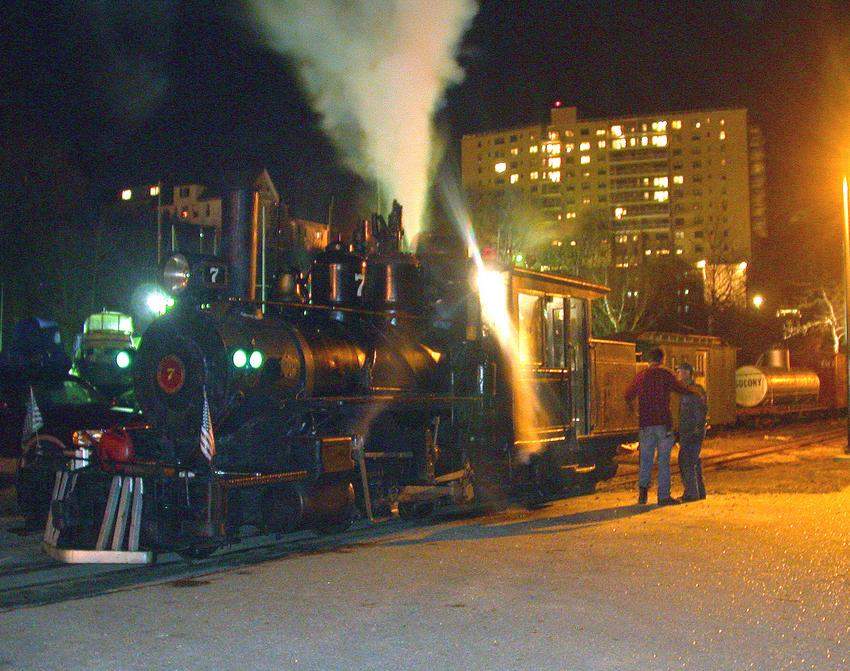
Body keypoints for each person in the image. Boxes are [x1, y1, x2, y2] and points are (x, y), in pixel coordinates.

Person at [624, 347, 696, 506]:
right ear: (662, 360)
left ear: (649, 360)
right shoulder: (666, 375)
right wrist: (695, 392)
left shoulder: (641, 376)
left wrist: (634, 410)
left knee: (646, 460)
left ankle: (642, 494)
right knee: (663, 461)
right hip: (663, 424)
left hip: (645, 425)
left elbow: (628, 395)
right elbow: (681, 389)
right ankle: (663, 496)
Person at [675, 362, 707, 502]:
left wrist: (696, 428)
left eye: (680, 371)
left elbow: (700, 411)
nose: (678, 374)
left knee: (686, 461)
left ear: (687, 373)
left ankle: (691, 494)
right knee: (693, 461)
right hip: (691, 431)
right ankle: (699, 492)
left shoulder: (693, 390)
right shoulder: (691, 389)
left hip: (692, 431)